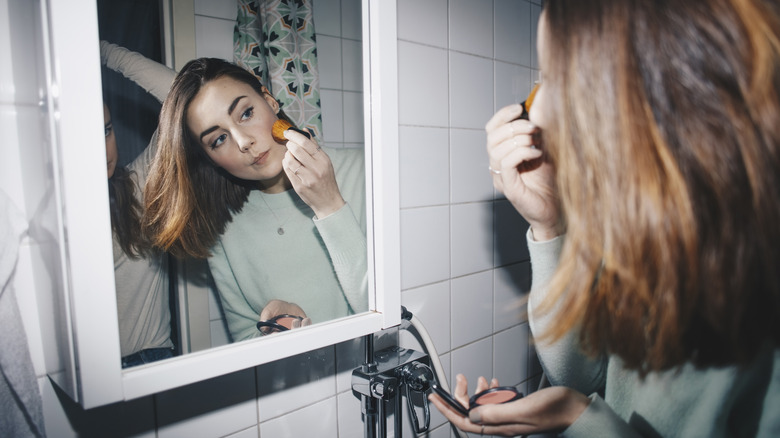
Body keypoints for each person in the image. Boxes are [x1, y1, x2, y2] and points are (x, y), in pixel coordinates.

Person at [429, 0, 780, 436]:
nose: (536, 112)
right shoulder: (643, 227)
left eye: (562, 77)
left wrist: (583, 421)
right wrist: (549, 226)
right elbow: (586, 381)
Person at [141, 57, 368, 342]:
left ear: (270, 101)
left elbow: (393, 313)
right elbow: (246, 344)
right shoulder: (224, 229)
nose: (243, 141)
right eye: (218, 140)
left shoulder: (365, 171)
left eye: (246, 113)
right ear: (210, 159)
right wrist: (275, 330)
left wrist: (330, 206)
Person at [101, 41, 178, 368]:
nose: (103, 151)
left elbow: (181, 95)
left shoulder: (136, 185)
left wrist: (101, 51)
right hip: (92, 375)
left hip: (154, 358)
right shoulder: (50, 219)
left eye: (105, 131)